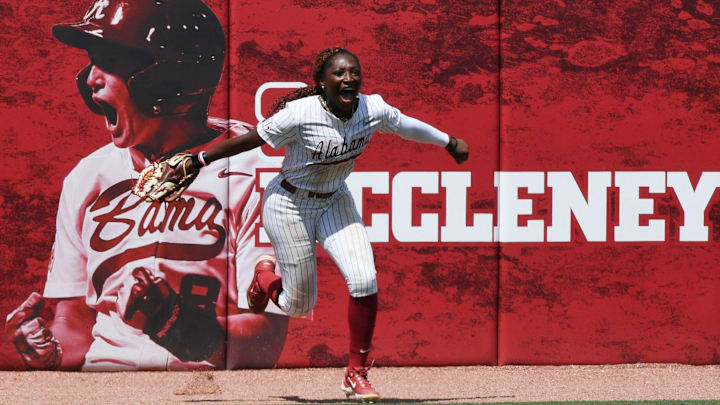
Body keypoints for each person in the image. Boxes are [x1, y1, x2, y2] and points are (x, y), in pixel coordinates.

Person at [155, 47, 470, 401]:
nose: (348, 78)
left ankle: (356, 373)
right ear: (322, 82)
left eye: (354, 72)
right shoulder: (300, 113)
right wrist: (199, 158)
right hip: (289, 204)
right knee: (298, 306)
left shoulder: (371, 107)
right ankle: (263, 277)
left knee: (364, 279)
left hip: (335, 200)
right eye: (339, 73)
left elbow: (405, 125)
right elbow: (252, 138)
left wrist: (448, 141)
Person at [4, 0, 288, 371]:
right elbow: (73, 321)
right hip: (104, 387)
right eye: (93, 60)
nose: (91, 78)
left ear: (168, 79)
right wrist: (52, 349)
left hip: (208, 389)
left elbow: (267, 339)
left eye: (111, 60)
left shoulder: (256, 170)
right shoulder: (87, 177)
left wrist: (177, 326)